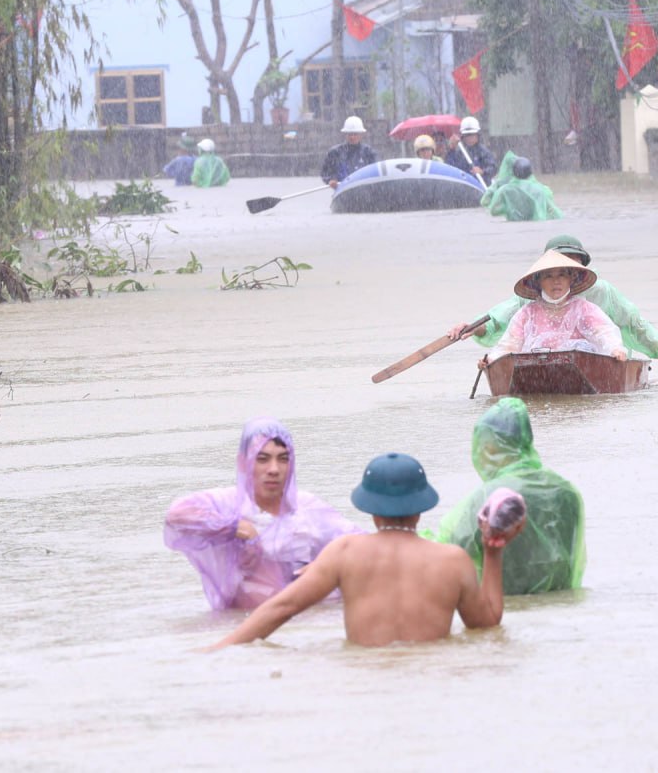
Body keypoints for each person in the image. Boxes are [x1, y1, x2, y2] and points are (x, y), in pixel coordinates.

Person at [209, 452, 526, 649]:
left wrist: (220, 649)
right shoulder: (452, 560)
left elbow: (281, 609)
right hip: (430, 687)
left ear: (371, 511)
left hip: (364, 687)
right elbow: (485, 626)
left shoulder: (345, 552)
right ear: (420, 510)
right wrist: (493, 552)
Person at [164, 418, 363, 611]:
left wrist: (326, 565)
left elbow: (363, 544)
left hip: (303, 622)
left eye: (283, 459)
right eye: (262, 459)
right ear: (243, 463)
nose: (274, 469)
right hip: (239, 621)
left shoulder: (306, 509)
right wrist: (237, 528)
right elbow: (176, 515)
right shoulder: (229, 504)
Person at [449, 234, 658, 383]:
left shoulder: (596, 297)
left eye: (566, 268)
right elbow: (503, 326)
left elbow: (627, 325)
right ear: (539, 278)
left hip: (596, 359)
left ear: (576, 272)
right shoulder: (529, 308)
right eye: (550, 273)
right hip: (542, 364)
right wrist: (488, 354)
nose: (557, 279)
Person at [436, 398, 585, 594]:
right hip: (563, 606)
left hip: (503, 605)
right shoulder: (566, 491)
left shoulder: (488, 496)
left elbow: (455, 550)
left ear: (491, 447)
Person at [478, 250, 627, 370]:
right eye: (548, 276)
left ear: (571, 279)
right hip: (535, 370)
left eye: (562, 275)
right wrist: (491, 360)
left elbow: (604, 333)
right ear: (539, 282)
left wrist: (615, 350)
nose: (556, 281)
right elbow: (509, 344)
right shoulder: (527, 313)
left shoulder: (584, 308)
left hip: (579, 370)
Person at [480, 152, 562, 222]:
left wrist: (495, 186)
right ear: (530, 172)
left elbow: (490, 207)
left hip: (512, 229)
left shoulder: (505, 190)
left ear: (513, 172)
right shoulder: (541, 190)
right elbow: (553, 213)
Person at [320, 116, 378, 189]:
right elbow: (325, 172)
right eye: (350, 134)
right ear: (345, 134)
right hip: (342, 192)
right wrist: (331, 180)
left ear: (361, 135)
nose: (352, 137)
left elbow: (376, 172)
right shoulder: (335, 152)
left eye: (355, 134)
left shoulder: (368, 152)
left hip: (364, 192)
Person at [444, 116, 498, 184]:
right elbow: (449, 167)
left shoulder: (483, 152)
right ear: (462, 136)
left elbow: (493, 168)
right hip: (463, 186)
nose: (470, 138)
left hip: (480, 187)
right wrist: (451, 149)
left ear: (477, 135)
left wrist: (482, 171)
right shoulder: (458, 152)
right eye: (467, 135)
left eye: (472, 135)